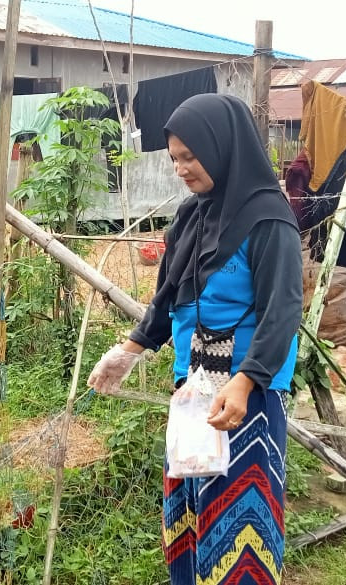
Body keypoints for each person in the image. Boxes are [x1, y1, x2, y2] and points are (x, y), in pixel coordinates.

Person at [87, 94, 302, 585]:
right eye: (175, 159)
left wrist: (246, 383)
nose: (182, 169)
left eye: (191, 156)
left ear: (223, 147)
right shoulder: (191, 216)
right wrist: (130, 349)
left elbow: (283, 311)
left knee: (238, 526)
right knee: (190, 517)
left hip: (246, 400)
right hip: (193, 392)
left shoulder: (269, 220)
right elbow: (169, 295)